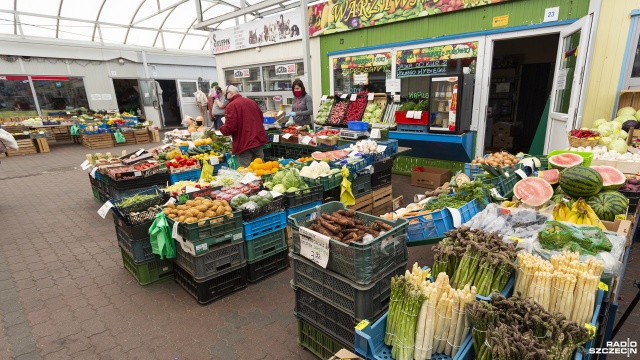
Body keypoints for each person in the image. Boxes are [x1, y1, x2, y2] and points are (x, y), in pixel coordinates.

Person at [219, 85, 268, 167]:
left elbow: (230, 128)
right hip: (258, 140)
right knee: (261, 168)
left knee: (246, 172)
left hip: (244, 143)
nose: (224, 97)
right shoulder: (251, 102)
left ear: (230, 93)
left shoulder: (231, 106)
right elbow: (261, 119)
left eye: (224, 94)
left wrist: (222, 128)